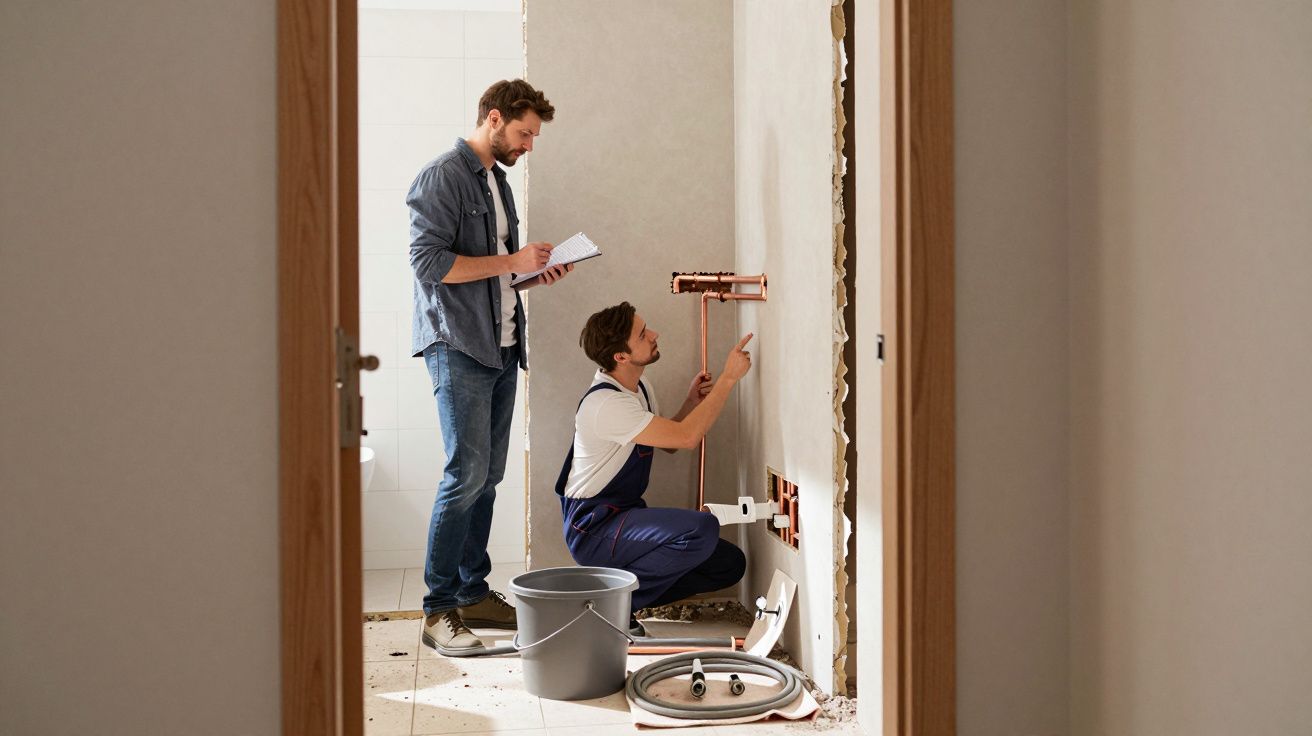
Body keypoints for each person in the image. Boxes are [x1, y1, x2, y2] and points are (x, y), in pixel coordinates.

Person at [408, 79, 572, 655]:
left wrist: (531, 273)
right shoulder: (442, 177)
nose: (530, 145)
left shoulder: (498, 183)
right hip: (458, 345)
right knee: (465, 474)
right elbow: (429, 264)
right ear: (495, 118)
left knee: (489, 476)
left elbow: (493, 270)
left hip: (501, 345)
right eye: (525, 133)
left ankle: (472, 592)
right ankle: (437, 610)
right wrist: (512, 260)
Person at [556, 302, 753, 634]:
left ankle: (624, 598)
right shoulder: (606, 404)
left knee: (728, 565)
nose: (654, 334)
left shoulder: (639, 388)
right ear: (620, 356)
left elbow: (671, 441)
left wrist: (691, 403)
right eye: (642, 333)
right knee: (701, 529)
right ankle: (614, 607)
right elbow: (688, 438)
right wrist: (729, 378)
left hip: (622, 517)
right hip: (592, 527)